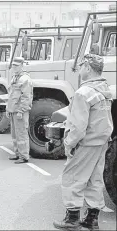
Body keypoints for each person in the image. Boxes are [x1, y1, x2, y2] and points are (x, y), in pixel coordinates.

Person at [53, 54, 113, 231]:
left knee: (73, 178)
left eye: (80, 66)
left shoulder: (82, 93)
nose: (79, 70)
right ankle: (91, 220)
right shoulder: (104, 89)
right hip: (102, 141)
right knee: (95, 180)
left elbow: (79, 126)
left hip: (86, 143)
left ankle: (72, 220)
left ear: (87, 67)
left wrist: (69, 143)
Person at [6, 57, 33, 164]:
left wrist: (21, 111)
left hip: (19, 111)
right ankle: (17, 153)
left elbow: (26, 96)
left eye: (16, 66)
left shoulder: (25, 79)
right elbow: (12, 95)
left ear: (22, 66)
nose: (14, 67)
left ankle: (24, 156)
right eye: (13, 65)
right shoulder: (15, 77)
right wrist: (8, 109)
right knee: (15, 134)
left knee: (21, 134)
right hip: (13, 110)